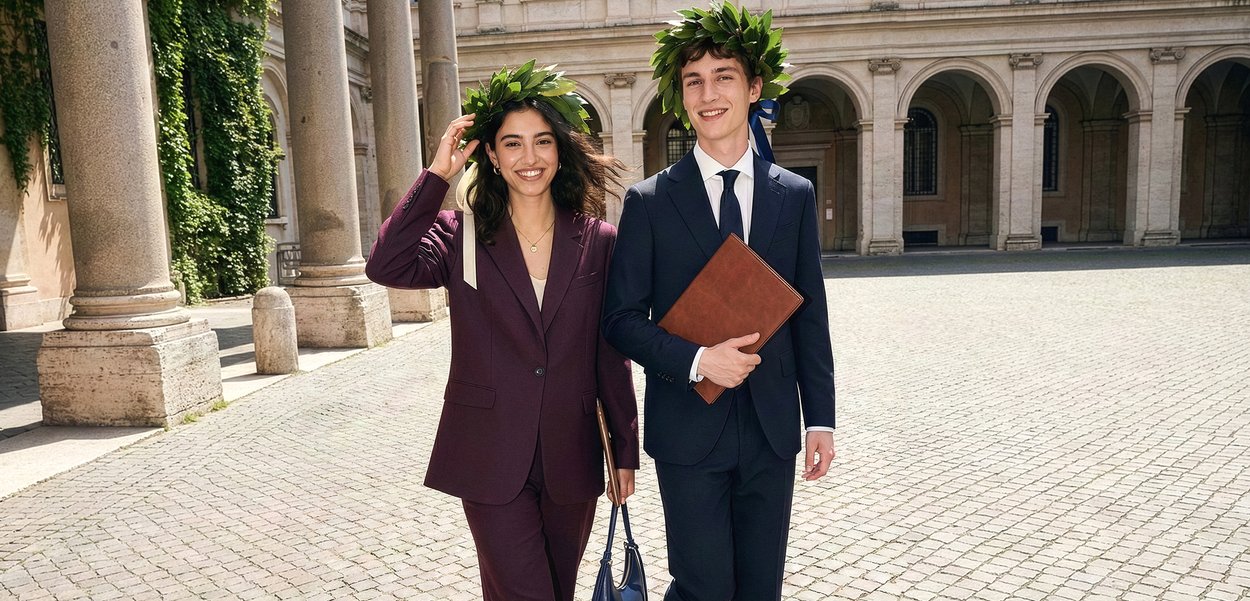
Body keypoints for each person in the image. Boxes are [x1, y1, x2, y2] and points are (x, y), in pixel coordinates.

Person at [365, 61, 638, 601]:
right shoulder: (458, 235)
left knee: (554, 589)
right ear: (491, 154)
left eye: (541, 142)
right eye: (512, 144)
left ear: (560, 150)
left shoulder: (600, 240)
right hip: (488, 453)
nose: (529, 158)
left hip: (572, 455)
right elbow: (386, 265)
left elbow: (611, 352)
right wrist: (437, 176)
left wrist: (623, 449)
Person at [602, 4, 835, 600]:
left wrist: (822, 418)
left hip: (771, 428)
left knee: (761, 589)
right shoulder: (649, 202)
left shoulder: (796, 195)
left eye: (724, 76)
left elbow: (810, 312)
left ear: (754, 88)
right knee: (702, 587)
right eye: (693, 81)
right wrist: (698, 360)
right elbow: (620, 322)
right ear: (681, 99)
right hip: (688, 430)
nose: (709, 94)